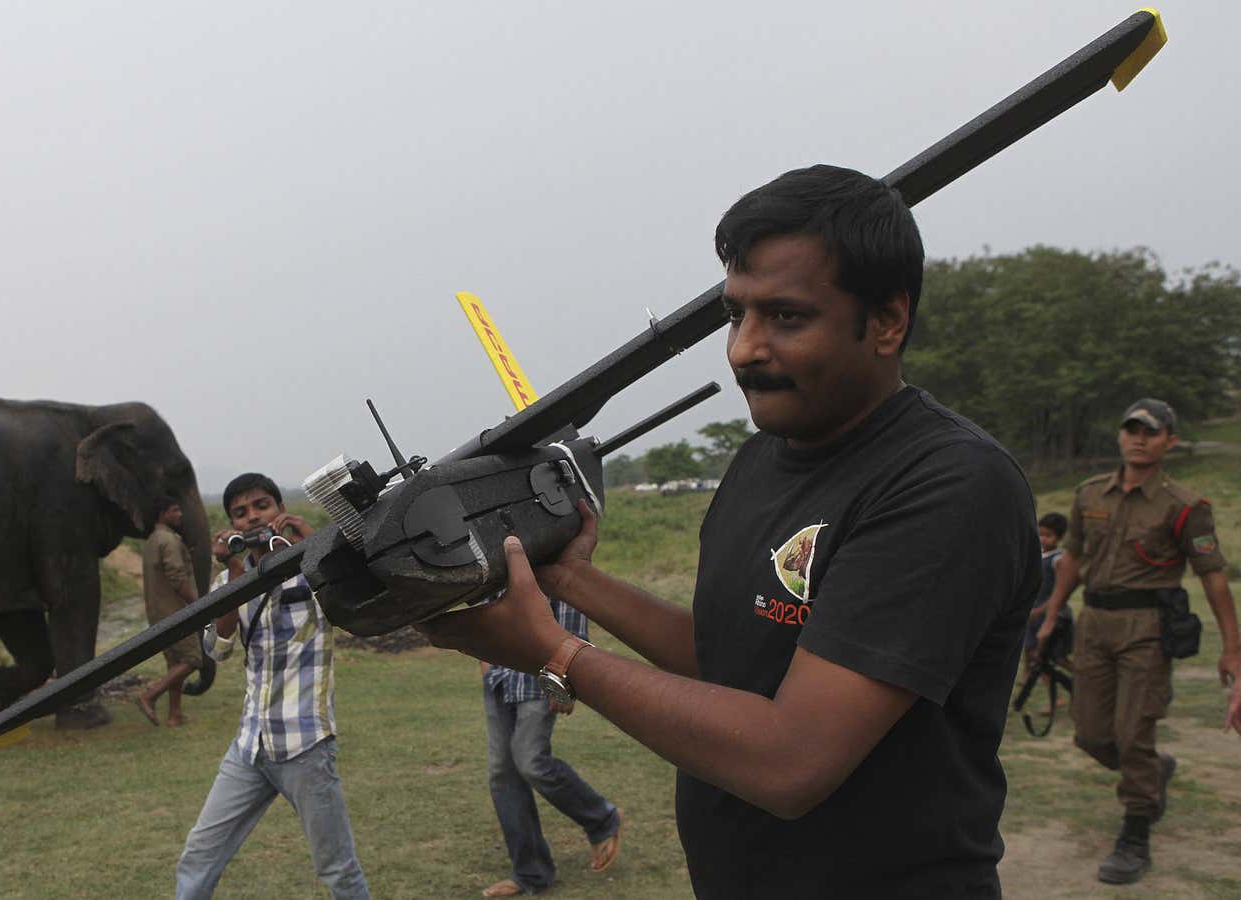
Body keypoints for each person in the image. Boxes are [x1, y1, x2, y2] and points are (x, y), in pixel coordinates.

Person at [418, 165, 1041, 897]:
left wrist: (555, 652)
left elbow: (791, 763)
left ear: (887, 322)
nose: (744, 349)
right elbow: (732, 659)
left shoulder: (947, 484)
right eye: (735, 315)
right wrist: (567, 579)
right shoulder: (759, 461)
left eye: (785, 317)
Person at [1035, 398, 1241, 884]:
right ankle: (1151, 771)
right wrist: (1050, 615)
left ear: (1169, 440)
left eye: (1150, 431)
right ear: (1121, 436)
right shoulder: (1090, 495)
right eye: (1131, 430)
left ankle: (1135, 832)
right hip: (1094, 625)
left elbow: (1212, 577)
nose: (1138, 438)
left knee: (1133, 734)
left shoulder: (1184, 506)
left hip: (1147, 629)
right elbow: (1074, 560)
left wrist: (1232, 648)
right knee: (1090, 734)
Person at [174, 473, 369, 900]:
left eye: (261, 506)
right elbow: (218, 649)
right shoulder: (232, 581)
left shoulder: (313, 568)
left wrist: (315, 543)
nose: (252, 517)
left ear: (280, 510)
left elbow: (354, 603)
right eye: (239, 513)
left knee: (337, 868)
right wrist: (234, 569)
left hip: (305, 745)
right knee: (199, 853)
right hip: (249, 746)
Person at [478, 595, 623, 898]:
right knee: (502, 776)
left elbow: (571, 611)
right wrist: (486, 663)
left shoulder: (545, 547)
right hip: (499, 677)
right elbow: (484, 602)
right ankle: (532, 873)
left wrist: (567, 681)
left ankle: (602, 819)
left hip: (539, 676)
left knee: (531, 760)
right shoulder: (491, 547)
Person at [137, 495, 203, 726]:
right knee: (194, 659)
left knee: (176, 663)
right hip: (175, 612)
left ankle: (175, 715)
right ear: (163, 513)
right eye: (175, 510)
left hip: (158, 613)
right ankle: (150, 694)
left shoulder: (152, 540)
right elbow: (177, 578)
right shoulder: (169, 541)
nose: (180, 515)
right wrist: (197, 603)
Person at [1022, 512, 1071, 674]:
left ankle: (1079, 682)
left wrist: (1040, 611)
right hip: (1033, 613)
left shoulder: (1058, 560)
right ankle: (1028, 683)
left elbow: (1060, 591)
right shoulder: (1036, 554)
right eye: (1040, 533)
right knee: (1031, 653)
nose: (1043, 538)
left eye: (1048, 535)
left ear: (1059, 537)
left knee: (1056, 657)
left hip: (1050, 613)